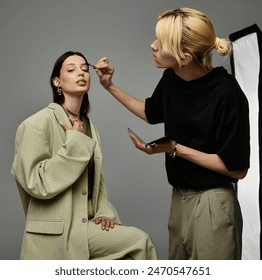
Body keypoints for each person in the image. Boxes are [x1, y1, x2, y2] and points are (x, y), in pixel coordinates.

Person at [94, 8, 250, 260]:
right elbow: (150, 112)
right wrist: (109, 86)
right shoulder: (172, 77)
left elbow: (237, 169)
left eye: (161, 43)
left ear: (185, 57)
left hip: (213, 203)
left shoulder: (228, 94)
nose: (152, 45)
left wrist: (175, 148)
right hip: (179, 199)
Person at [11, 51, 157, 260]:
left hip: (85, 226)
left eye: (84, 69)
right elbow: (36, 182)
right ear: (57, 81)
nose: (81, 73)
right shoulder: (36, 123)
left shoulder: (90, 126)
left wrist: (104, 212)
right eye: (71, 70)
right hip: (56, 233)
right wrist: (74, 143)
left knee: (133, 250)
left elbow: (95, 182)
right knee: (138, 241)